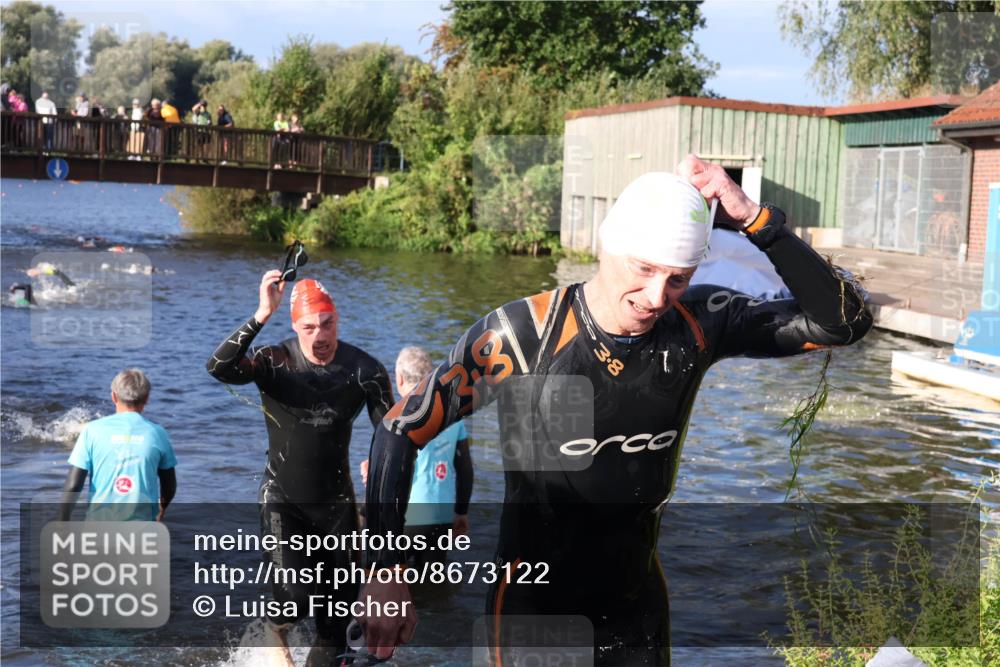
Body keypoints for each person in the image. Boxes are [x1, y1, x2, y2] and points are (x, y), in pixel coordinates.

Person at [359, 155, 874, 664]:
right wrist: (385, 571)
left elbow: (844, 322)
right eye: (644, 268)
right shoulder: (522, 335)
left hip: (637, 611)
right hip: (536, 612)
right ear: (608, 244)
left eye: (677, 278)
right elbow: (399, 429)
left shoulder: (699, 324)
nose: (655, 297)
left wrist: (754, 219)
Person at [206, 273, 394, 665]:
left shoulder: (365, 370)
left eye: (327, 324)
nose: (319, 335)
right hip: (283, 500)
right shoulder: (276, 361)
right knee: (294, 598)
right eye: (309, 327)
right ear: (295, 325)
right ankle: (273, 631)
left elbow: (390, 435)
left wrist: (378, 458)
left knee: (335, 623)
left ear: (337, 320)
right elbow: (219, 367)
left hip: (337, 507)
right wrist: (262, 313)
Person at [360, 346, 473, 567]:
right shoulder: (454, 418)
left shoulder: (397, 420)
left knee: (388, 580)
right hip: (441, 517)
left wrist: (366, 513)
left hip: (406, 519)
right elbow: (465, 469)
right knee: (433, 583)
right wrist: (461, 513)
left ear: (399, 379)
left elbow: (387, 476)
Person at [59, 369, 177, 522]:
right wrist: (162, 508)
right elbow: (169, 485)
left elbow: (74, 485)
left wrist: (63, 522)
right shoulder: (158, 433)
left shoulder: (92, 430)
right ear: (147, 398)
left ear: (113, 396)